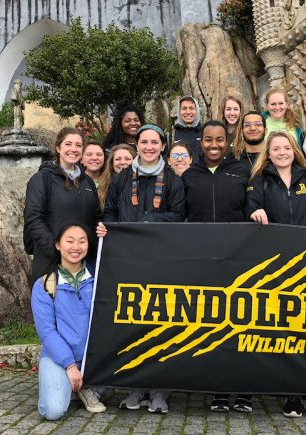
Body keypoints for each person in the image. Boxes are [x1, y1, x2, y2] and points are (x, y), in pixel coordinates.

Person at [245, 130, 306, 419]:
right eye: (276, 149)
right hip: (275, 266)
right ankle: (292, 396)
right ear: (268, 154)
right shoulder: (259, 180)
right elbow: (250, 207)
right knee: (284, 330)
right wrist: (255, 212)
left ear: (293, 150)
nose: (282, 152)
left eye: (286, 147)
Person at [97, 124, 186, 414]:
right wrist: (110, 230)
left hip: (162, 262)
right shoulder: (123, 178)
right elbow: (109, 212)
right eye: (144, 142)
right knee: (133, 323)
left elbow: (179, 215)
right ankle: (135, 388)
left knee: (160, 323)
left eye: (154, 142)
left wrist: (148, 225)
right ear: (138, 146)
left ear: (163, 146)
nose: (149, 147)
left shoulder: (173, 180)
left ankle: (158, 389)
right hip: (128, 261)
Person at [182, 120, 252, 413]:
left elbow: (254, 210)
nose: (214, 145)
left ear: (228, 141)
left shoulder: (242, 171)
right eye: (209, 139)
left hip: (239, 259)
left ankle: (245, 389)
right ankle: (219, 390)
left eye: (220, 140)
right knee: (213, 324)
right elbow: (179, 216)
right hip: (203, 261)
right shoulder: (189, 175)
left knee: (242, 323)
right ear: (201, 141)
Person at [31, 223, 105, 420]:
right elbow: (47, 332)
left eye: (82, 241)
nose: (76, 247)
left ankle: (86, 388)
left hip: (93, 357)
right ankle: (65, 383)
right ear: (57, 245)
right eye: (69, 241)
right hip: (60, 357)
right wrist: (70, 366)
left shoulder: (99, 278)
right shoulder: (45, 285)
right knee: (53, 411)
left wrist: (109, 237)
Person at [24, 128, 98, 284]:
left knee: (82, 307)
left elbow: (96, 217)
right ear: (58, 148)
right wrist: (56, 250)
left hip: (84, 262)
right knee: (51, 305)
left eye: (78, 145)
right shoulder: (42, 179)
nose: (74, 149)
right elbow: (33, 217)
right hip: (51, 262)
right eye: (68, 144)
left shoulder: (87, 182)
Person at [97, 143, 135, 214]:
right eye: (118, 159)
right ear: (112, 163)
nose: (123, 162)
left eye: (127, 159)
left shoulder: (141, 183)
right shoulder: (101, 185)